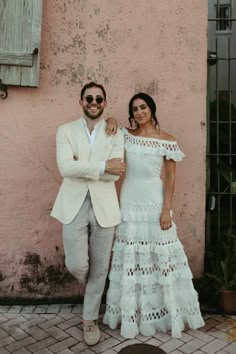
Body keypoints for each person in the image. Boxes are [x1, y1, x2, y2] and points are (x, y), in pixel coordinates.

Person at [103, 92, 205, 338]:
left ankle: (165, 312)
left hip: (155, 199)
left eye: (143, 107)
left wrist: (165, 209)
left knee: (161, 255)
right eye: (135, 109)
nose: (139, 112)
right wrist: (111, 118)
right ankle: (132, 314)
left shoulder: (167, 140)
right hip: (129, 198)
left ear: (152, 109)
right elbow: (108, 126)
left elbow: (170, 178)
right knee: (131, 255)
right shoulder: (126, 136)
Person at [51, 82, 125, 346]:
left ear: (105, 103)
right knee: (79, 264)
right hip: (73, 204)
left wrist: (91, 168)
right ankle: (93, 288)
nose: (94, 102)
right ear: (81, 101)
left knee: (100, 268)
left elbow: (117, 173)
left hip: (105, 206)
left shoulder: (115, 131)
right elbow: (65, 168)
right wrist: (103, 165)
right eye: (89, 98)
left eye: (99, 99)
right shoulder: (66, 131)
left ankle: (89, 319)